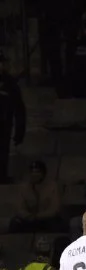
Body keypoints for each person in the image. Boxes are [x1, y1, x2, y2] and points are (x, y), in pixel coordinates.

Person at [10, 160, 63, 233]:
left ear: (43, 174)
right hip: (29, 218)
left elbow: (54, 209)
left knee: (56, 223)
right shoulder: (23, 187)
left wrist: (38, 216)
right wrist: (27, 216)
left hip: (46, 218)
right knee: (15, 223)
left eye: (37, 172)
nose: (34, 174)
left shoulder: (52, 186)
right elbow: (19, 207)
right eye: (32, 172)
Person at [0, 52, 26, 184]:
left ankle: (2, 175)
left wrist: (19, 132)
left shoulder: (10, 83)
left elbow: (19, 108)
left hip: (4, 124)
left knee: (3, 151)